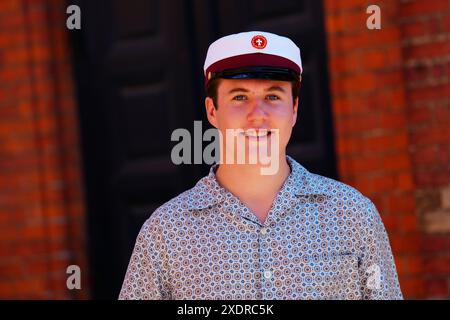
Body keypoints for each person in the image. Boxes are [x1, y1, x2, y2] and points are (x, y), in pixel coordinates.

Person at [119, 31, 403, 300]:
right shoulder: (165, 233)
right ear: (212, 111)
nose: (258, 114)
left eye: (273, 96)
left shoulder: (352, 214)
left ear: (293, 110)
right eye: (240, 97)